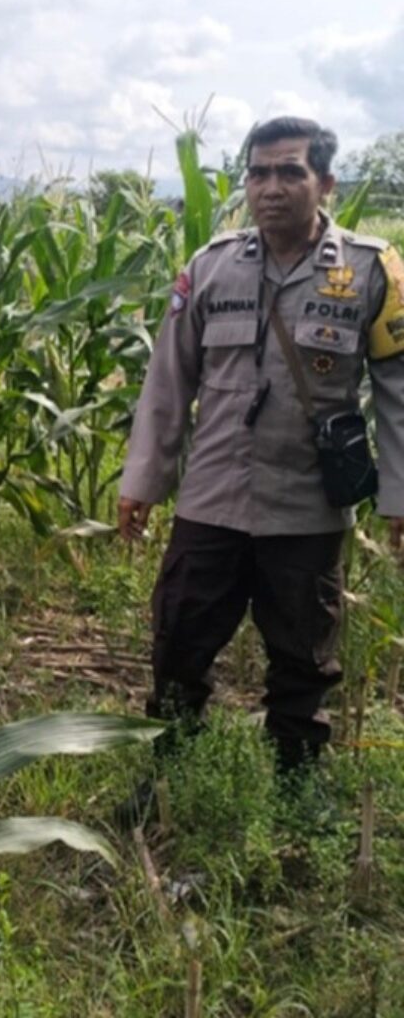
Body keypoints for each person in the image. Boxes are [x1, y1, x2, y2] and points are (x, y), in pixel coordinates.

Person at [117, 117, 404, 785]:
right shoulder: (210, 267)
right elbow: (168, 381)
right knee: (180, 643)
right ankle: (170, 774)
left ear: (325, 182)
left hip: (305, 507)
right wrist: (143, 482)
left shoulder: (372, 273)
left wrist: (399, 499)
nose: (270, 188)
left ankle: (294, 786)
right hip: (211, 500)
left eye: (289, 172)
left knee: (304, 659)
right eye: (258, 173)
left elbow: (397, 393)